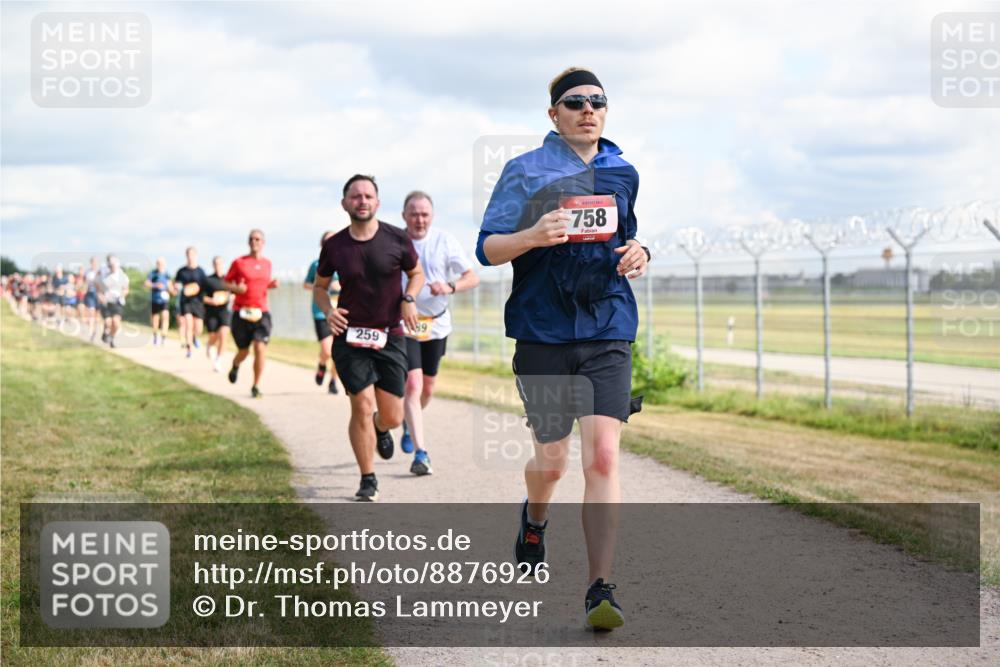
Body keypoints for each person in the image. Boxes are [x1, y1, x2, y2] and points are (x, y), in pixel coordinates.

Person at [476, 67, 650, 630]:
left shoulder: (622, 170)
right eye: (575, 102)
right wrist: (531, 237)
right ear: (554, 114)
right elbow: (489, 250)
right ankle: (535, 516)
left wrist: (640, 252)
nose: (588, 110)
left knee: (602, 457)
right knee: (552, 462)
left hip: (607, 326)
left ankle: (601, 587)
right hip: (544, 331)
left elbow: (627, 235)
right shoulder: (524, 170)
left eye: (598, 101)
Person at [312, 174, 424, 502]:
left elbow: (415, 274)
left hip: (389, 335)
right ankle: (368, 477)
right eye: (355, 196)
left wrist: (409, 299)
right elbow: (320, 287)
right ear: (345, 203)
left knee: (393, 415)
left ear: (377, 202)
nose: (362, 201)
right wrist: (328, 309)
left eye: (368, 196)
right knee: (360, 404)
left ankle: (380, 427)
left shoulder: (397, 239)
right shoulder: (335, 246)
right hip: (349, 336)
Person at [398, 191, 479, 475]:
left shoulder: (444, 240)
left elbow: (472, 277)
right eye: (414, 213)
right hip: (405, 324)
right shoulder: (396, 241)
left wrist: (450, 286)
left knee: (428, 388)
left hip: (437, 324)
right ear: (404, 216)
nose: (419, 219)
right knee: (413, 385)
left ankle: (409, 421)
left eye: (424, 214)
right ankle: (421, 453)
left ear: (431, 216)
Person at [224, 229, 279, 398]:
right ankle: (235, 364)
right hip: (241, 313)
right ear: (248, 242)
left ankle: (256, 385)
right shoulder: (239, 262)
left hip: (261, 312)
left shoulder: (268, 264)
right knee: (244, 352)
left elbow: (261, 284)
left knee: (259, 347)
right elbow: (225, 283)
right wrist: (236, 288)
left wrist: (271, 285)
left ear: (263, 243)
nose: (255, 242)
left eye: (258, 239)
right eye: (252, 239)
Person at [304, 231, 342, 394]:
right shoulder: (316, 264)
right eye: (327, 241)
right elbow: (306, 285)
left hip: (340, 312)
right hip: (321, 312)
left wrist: (340, 285)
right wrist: (321, 287)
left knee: (338, 351)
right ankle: (321, 364)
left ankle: (333, 381)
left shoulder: (345, 263)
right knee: (327, 350)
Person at [174, 247, 207, 358]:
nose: (190, 256)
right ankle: (189, 349)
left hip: (198, 302)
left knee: (199, 327)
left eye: (192, 254)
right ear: (186, 255)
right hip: (185, 301)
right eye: (188, 254)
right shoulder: (181, 271)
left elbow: (205, 286)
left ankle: (195, 337)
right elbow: (176, 284)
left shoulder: (201, 271)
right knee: (188, 324)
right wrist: (177, 287)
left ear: (196, 256)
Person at [202, 256, 233, 372]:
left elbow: (234, 293)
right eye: (215, 263)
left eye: (219, 263)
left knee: (224, 334)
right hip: (211, 312)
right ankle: (210, 345)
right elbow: (201, 297)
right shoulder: (208, 280)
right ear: (213, 265)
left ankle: (218, 361)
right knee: (213, 336)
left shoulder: (228, 279)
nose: (218, 265)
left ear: (223, 264)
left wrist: (229, 297)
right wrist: (211, 301)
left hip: (224, 311)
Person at [97, 254, 130, 348]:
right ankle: (106, 332)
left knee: (116, 323)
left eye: (113, 265)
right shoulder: (104, 276)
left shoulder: (123, 276)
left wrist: (121, 295)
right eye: (110, 265)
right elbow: (99, 289)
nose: (111, 267)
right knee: (108, 322)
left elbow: (126, 289)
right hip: (107, 302)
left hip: (118, 302)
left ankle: (111, 337)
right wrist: (101, 296)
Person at [145, 258, 172, 346]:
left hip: (164, 300)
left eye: (162, 264)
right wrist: (155, 285)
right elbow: (146, 284)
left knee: (165, 317)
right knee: (155, 319)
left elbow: (170, 286)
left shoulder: (167, 274)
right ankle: (155, 336)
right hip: (154, 299)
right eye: (159, 264)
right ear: (157, 264)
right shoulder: (152, 273)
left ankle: (163, 337)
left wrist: (172, 289)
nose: (160, 265)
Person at [83, 257, 101, 341]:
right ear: (90, 263)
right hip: (90, 293)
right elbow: (84, 283)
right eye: (92, 262)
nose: (94, 264)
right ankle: (91, 332)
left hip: (98, 295)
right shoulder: (87, 272)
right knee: (91, 312)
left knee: (97, 315)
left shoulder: (100, 272)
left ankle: (94, 330)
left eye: (95, 262)